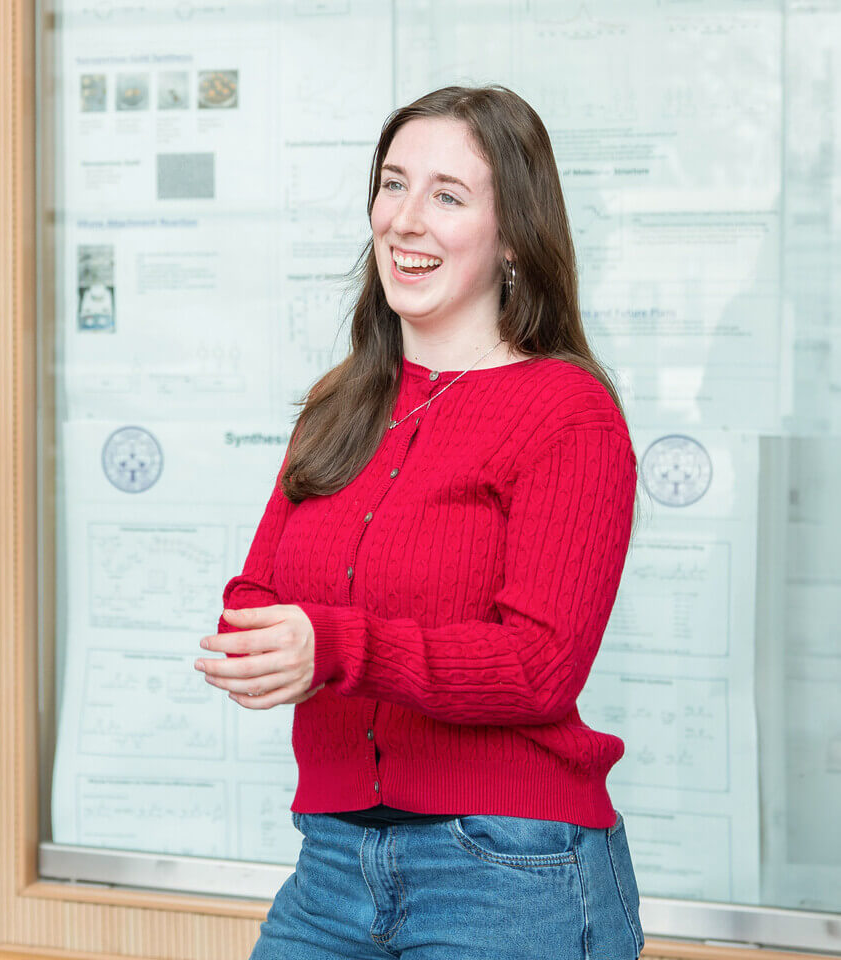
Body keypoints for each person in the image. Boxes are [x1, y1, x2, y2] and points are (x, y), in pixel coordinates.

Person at [194, 86, 643, 959]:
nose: (406, 220)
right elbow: (257, 592)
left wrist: (334, 647)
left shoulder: (567, 413)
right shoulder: (341, 402)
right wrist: (264, 642)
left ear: (513, 235)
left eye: (447, 195)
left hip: (511, 868)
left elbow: (540, 667)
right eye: (393, 185)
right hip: (332, 864)